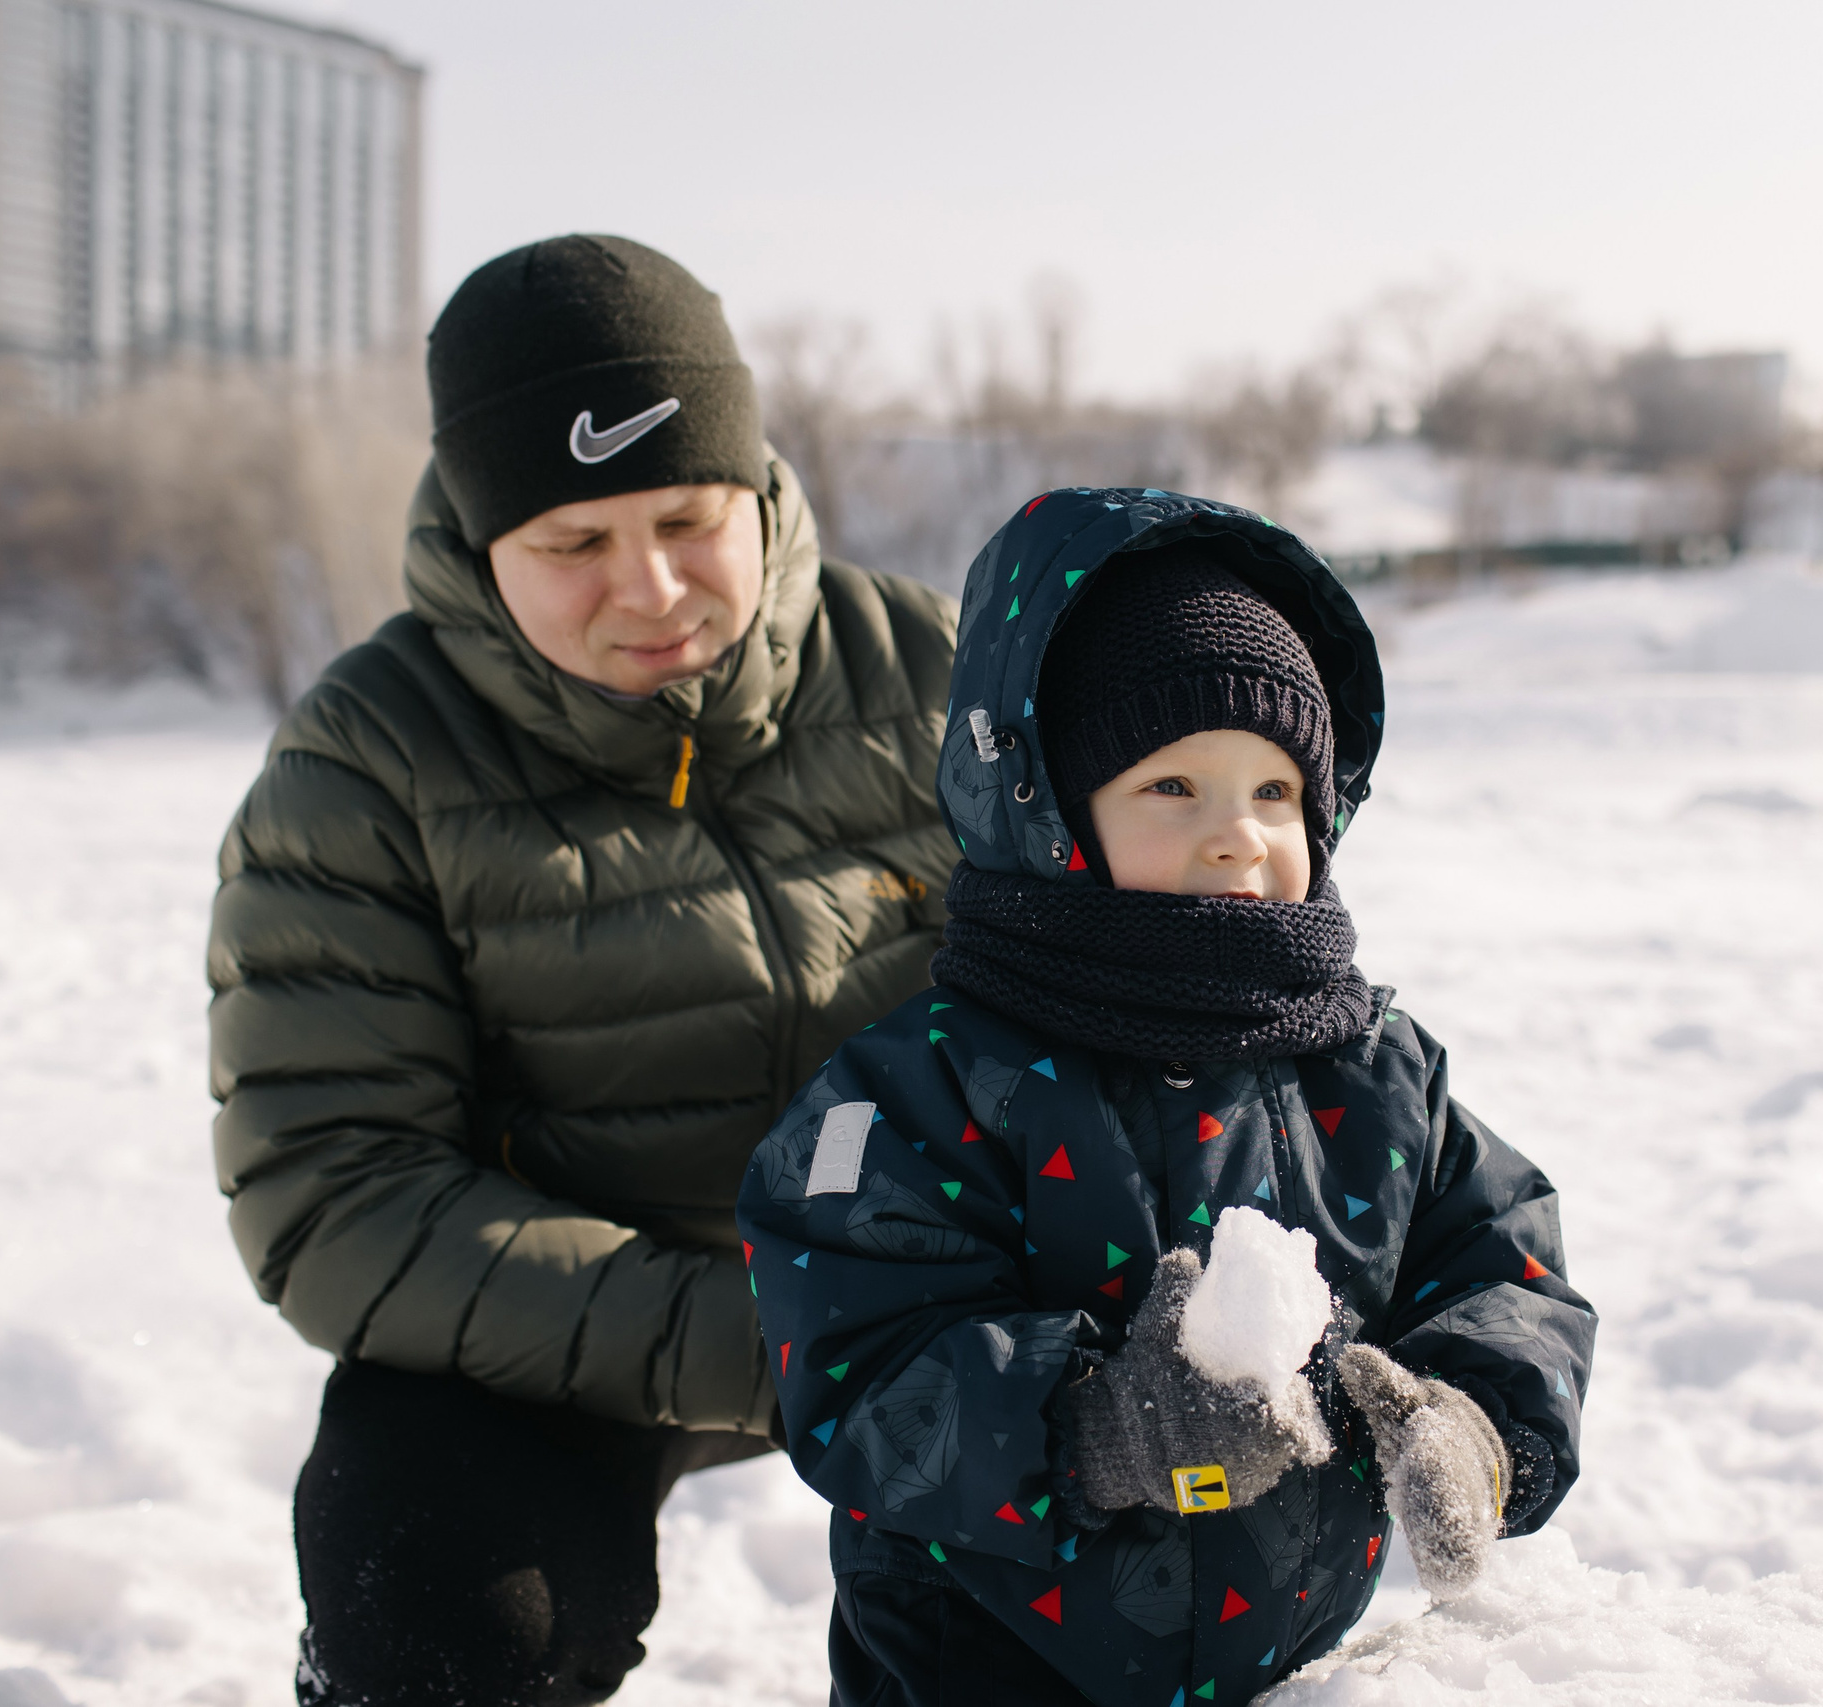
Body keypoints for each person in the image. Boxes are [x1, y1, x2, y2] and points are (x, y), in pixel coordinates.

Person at [207, 235, 959, 1705]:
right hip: (572, 1324)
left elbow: (1152, 980)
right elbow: (337, 1192)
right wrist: (772, 1342)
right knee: (444, 1616)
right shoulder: (362, 766)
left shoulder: (935, 671)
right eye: (574, 542)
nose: (654, 587)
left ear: (756, 488)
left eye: (688, 514)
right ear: (485, 542)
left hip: (947, 1295)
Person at [735, 487, 1596, 1706]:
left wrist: (1474, 1424)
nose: (1237, 836)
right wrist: (1094, 1421)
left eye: (1274, 793)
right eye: (1172, 789)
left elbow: (1502, 1265)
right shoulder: (918, 1087)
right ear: (1047, 812)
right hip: (978, 1662)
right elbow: (854, 1363)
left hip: (1284, 1665)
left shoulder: (1373, 1070)